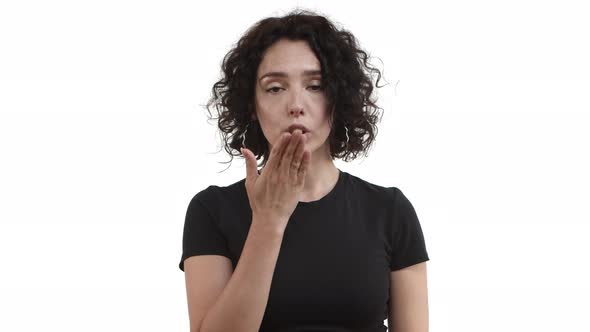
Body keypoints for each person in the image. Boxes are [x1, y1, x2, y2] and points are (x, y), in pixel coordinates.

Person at [179, 9, 429, 332]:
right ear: (252, 106)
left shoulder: (391, 212)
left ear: (337, 98)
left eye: (315, 86)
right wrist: (268, 223)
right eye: (274, 88)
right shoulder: (210, 211)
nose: (296, 104)